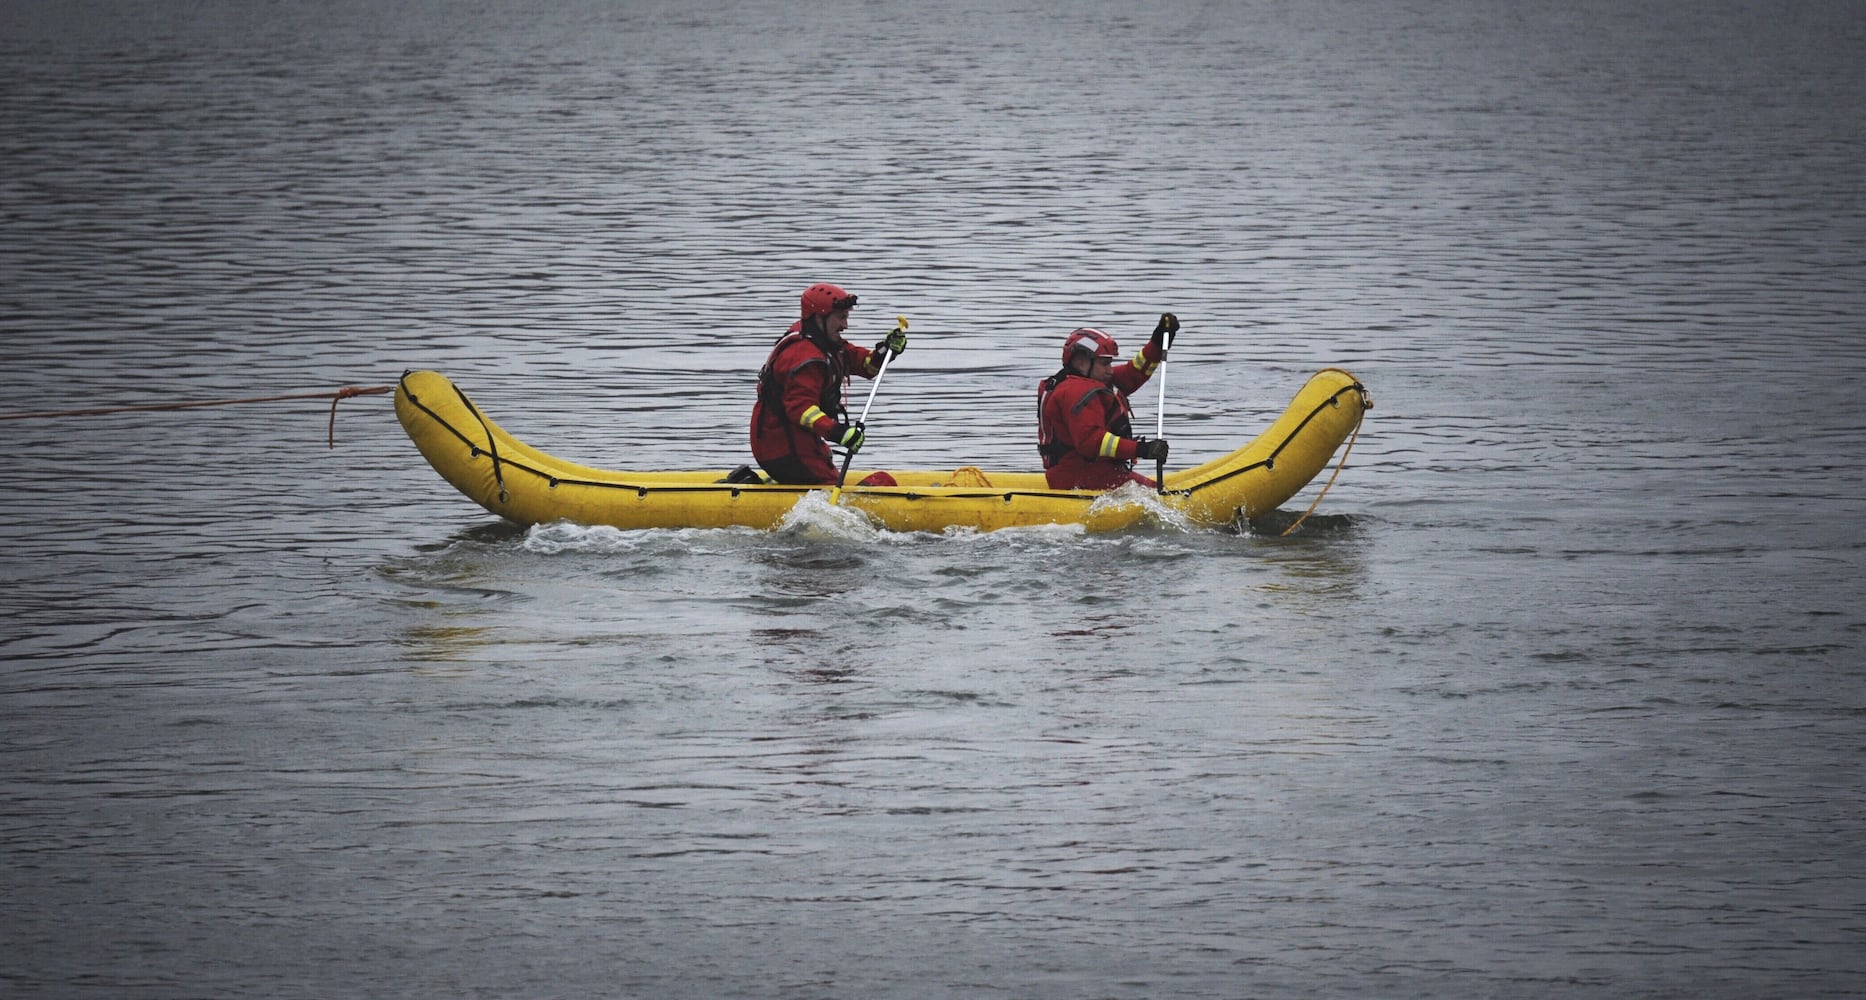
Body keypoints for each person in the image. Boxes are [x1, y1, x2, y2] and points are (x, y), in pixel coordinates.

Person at [751, 282, 909, 485]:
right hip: (784, 447)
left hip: (797, 442)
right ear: (820, 317)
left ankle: (779, 484)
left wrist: (884, 352)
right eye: (841, 318)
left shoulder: (824, 342)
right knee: (882, 481)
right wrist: (840, 433)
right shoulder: (804, 357)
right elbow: (800, 409)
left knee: (828, 472)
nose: (845, 325)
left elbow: (865, 365)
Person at [1036, 314, 1179, 490]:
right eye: (1105, 364)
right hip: (1079, 476)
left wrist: (1157, 342)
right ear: (1081, 363)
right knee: (1156, 494)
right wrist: (1142, 449)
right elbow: (1092, 442)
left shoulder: (1094, 380)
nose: (1110, 370)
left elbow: (1133, 374)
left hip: (1094, 472)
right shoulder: (1074, 392)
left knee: (1153, 489)